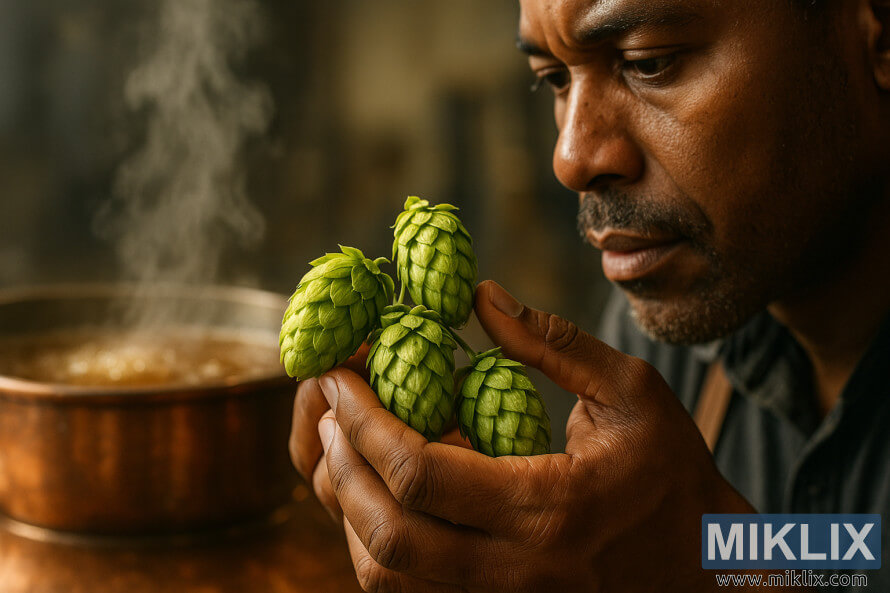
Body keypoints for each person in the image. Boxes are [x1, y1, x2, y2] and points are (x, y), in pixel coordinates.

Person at [289, 0, 890, 590]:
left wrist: (710, 568)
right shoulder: (683, 319)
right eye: (553, 78)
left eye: (649, 61)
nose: (570, 158)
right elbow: (849, 548)